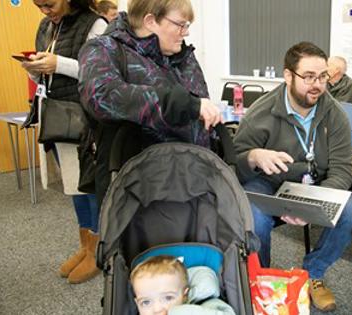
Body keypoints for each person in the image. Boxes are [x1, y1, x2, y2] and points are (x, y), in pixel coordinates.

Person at [233, 42, 352, 312]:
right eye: (308, 77)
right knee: (253, 215)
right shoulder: (261, 112)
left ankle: (313, 273)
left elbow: (341, 170)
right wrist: (254, 156)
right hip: (269, 184)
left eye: (322, 76)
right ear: (288, 75)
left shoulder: (335, 114)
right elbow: (234, 164)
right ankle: (262, 281)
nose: (317, 84)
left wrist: (310, 204)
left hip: (313, 184)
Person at [78, 0, 223, 211]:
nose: (186, 33)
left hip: (195, 183)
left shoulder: (183, 56)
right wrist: (183, 104)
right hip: (137, 191)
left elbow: (200, 111)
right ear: (151, 21)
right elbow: (102, 96)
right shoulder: (103, 49)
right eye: (181, 24)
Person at [21, 0, 107, 284]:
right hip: (56, 116)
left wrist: (59, 63)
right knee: (74, 187)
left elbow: (100, 74)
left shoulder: (95, 23)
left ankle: (97, 251)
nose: (44, 9)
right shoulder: (47, 26)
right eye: (39, 4)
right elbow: (48, 77)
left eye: (49, 3)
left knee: (89, 187)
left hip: (84, 120)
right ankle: (84, 246)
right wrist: (34, 68)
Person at [130, 255, 234, 315]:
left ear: (184, 295)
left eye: (168, 298)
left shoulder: (206, 305)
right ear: (137, 303)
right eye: (146, 302)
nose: (157, 310)